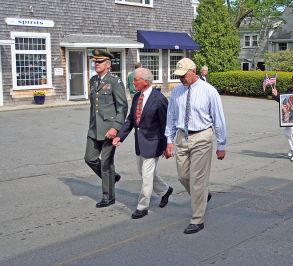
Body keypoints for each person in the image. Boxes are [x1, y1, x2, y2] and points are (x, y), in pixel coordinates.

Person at [164, 58, 227, 234]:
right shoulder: (176, 92)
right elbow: (171, 117)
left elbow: (219, 119)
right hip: (181, 136)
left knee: (197, 180)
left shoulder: (209, 91)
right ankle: (203, 196)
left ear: (194, 71)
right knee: (183, 176)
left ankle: (197, 219)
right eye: (179, 76)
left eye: (184, 75)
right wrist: (168, 140)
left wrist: (221, 144)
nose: (181, 79)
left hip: (202, 137)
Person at [113, 67, 173, 219]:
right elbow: (131, 120)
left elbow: (166, 124)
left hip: (153, 143)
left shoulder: (159, 99)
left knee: (146, 176)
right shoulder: (136, 97)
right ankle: (165, 190)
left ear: (145, 82)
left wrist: (167, 145)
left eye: (135, 80)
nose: (133, 83)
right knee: (144, 172)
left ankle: (142, 206)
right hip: (140, 143)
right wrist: (120, 136)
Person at [84, 49, 128, 208]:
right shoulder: (93, 80)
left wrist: (116, 128)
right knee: (89, 158)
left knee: (106, 164)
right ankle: (112, 177)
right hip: (95, 128)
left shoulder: (115, 81)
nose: (96, 64)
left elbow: (122, 107)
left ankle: (108, 196)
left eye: (100, 62)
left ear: (108, 64)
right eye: (95, 62)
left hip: (109, 129)